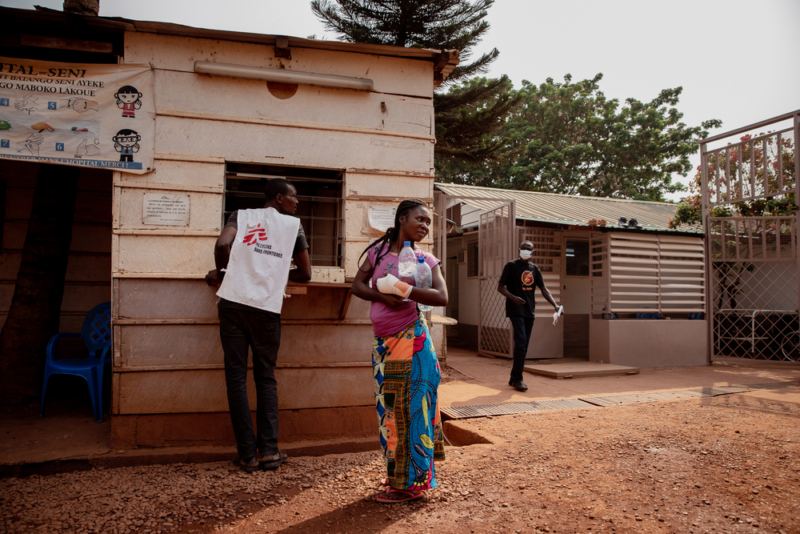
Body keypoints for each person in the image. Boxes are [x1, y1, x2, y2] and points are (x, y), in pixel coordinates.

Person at [205, 179, 311, 473]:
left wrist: (224, 274)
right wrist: (274, 272)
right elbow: (305, 273)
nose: (297, 202)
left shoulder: (240, 216)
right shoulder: (293, 226)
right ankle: (269, 452)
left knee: (236, 378)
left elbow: (223, 244)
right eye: (293, 196)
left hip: (233, 304)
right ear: (278, 198)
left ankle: (247, 456)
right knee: (265, 378)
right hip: (265, 308)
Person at [351, 199, 448, 504]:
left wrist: (403, 289)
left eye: (428, 222)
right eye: (420, 219)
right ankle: (400, 473)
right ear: (402, 219)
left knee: (411, 411)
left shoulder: (425, 259)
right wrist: (383, 295)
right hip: (383, 345)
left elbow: (441, 297)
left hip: (412, 342)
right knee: (390, 412)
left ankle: (410, 484)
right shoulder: (378, 252)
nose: (425, 226)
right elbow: (357, 285)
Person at [497, 241, 561, 392]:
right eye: (523, 248)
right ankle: (518, 379)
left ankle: (513, 377)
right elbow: (500, 287)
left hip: (529, 311)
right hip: (515, 309)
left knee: (523, 345)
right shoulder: (511, 266)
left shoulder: (534, 269)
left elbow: (543, 289)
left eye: (528, 249)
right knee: (521, 343)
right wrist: (513, 298)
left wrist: (555, 305)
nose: (525, 251)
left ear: (532, 252)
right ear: (519, 250)